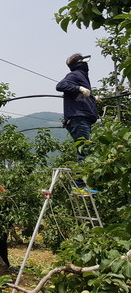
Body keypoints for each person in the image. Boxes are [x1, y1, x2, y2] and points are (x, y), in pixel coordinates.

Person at [56, 53, 98, 191]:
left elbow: (80, 96)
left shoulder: (81, 76)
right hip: (79, 118)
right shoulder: (76, 75)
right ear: (80, 63)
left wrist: (92, 97)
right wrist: (79, 88)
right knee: (84, 152)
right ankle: (79, 186)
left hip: (82, 118)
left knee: (85, 151)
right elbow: (61, 85)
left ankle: (81, 185)